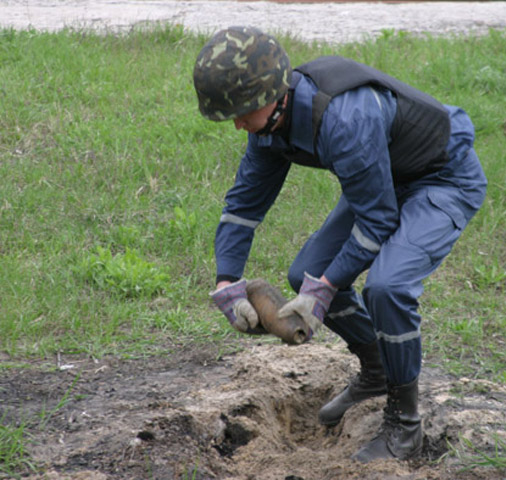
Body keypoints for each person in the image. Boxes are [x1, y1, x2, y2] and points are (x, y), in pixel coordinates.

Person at [196, 26, 487, 463]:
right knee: (304, 272)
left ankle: (405, 427)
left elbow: (377, 220)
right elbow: (243, 206)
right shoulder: (270, 126)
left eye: (240, 111)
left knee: (387, 287)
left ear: (273, 96)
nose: (236, 123)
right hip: (381, 176)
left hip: (441, 177)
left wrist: (323, 290)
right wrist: (227, 281)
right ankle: (375, 370)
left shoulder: (345, 119)